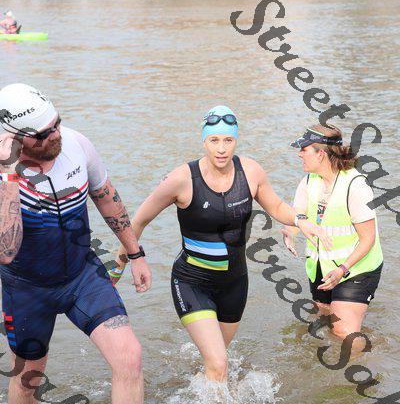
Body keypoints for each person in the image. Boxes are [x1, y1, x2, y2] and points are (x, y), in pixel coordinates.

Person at [111, 105, 330, 382]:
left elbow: (276, 206)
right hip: (192, 282)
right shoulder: (181, 179)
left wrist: (301, 220)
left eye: (228, 140)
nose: (222, 149)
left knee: (215, 364)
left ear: (236, 140)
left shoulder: (250, 171)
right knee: (219, 362)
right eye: (214, 140)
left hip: (234, 284)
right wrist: (118, 267)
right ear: (204, 140)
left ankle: (194, 393)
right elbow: (137, 222)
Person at [0, 83, 151, 404]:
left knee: (129, 356)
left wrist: (136, 254)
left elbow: (105, 196)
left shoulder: (78, 144)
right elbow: (7, 249)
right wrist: (9, 175)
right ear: (14, 138)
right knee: (30, 374)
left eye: (57, 123)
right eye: (43, 133)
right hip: (27, 288)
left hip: (82, 275)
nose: (55, 135)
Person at [282, 124, 383, 342]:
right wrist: (289, 232)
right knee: (325, 323)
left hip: (356, 268)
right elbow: (297, 215)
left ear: (320, 154)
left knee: (344, 333)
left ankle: (371, 358)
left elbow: (368, 239)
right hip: (321, 267)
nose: (299, 154)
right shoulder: (308, 181)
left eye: (304, 149)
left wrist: (342, 269)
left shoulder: (356, 185)